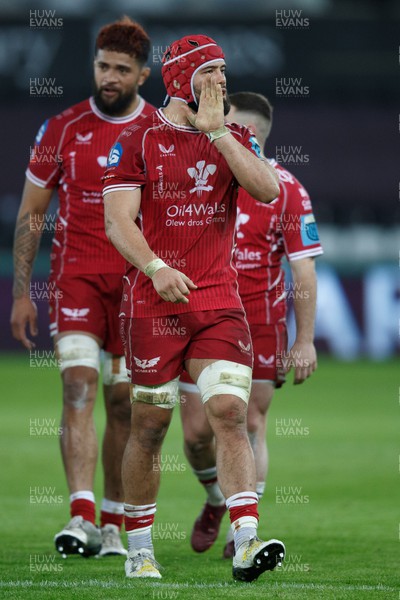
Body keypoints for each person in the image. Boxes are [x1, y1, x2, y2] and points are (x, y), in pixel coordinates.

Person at [102, 35, 285, 582]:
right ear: (182, 78)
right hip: (154, 303)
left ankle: (246, 541)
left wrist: (220, 135)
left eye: (224, 71)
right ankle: (139, 548)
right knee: (152, 425)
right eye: (211, 72)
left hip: (218, 302)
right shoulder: (136, 138)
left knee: (229, 412)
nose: (222, 81)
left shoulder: (235, 135)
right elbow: (118, 222)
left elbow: (268, 188)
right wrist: (157, 268)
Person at [10, 17, 154, 558]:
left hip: (135, 285)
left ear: (142, 73)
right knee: (76, 387)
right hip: (75, 281)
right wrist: (23, 292)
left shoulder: (159, 130)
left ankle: (115, 525)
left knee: (123, 404)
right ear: (93, 66)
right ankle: (80, 517)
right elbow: (31, 215)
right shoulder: (63, 128)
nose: (109, 77)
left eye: (121, 69)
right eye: (102, 67)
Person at [179, 91, 323, 558]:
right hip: (198, 320)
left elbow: (303, 269)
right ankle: (216, 498)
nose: (211, 124)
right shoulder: (198, 176)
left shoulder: (285, 188)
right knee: (197, 436)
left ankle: (244, 532)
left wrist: (304, 341)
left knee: (249, 421)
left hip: (257, 323)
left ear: (251, 132)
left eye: (223, 119)